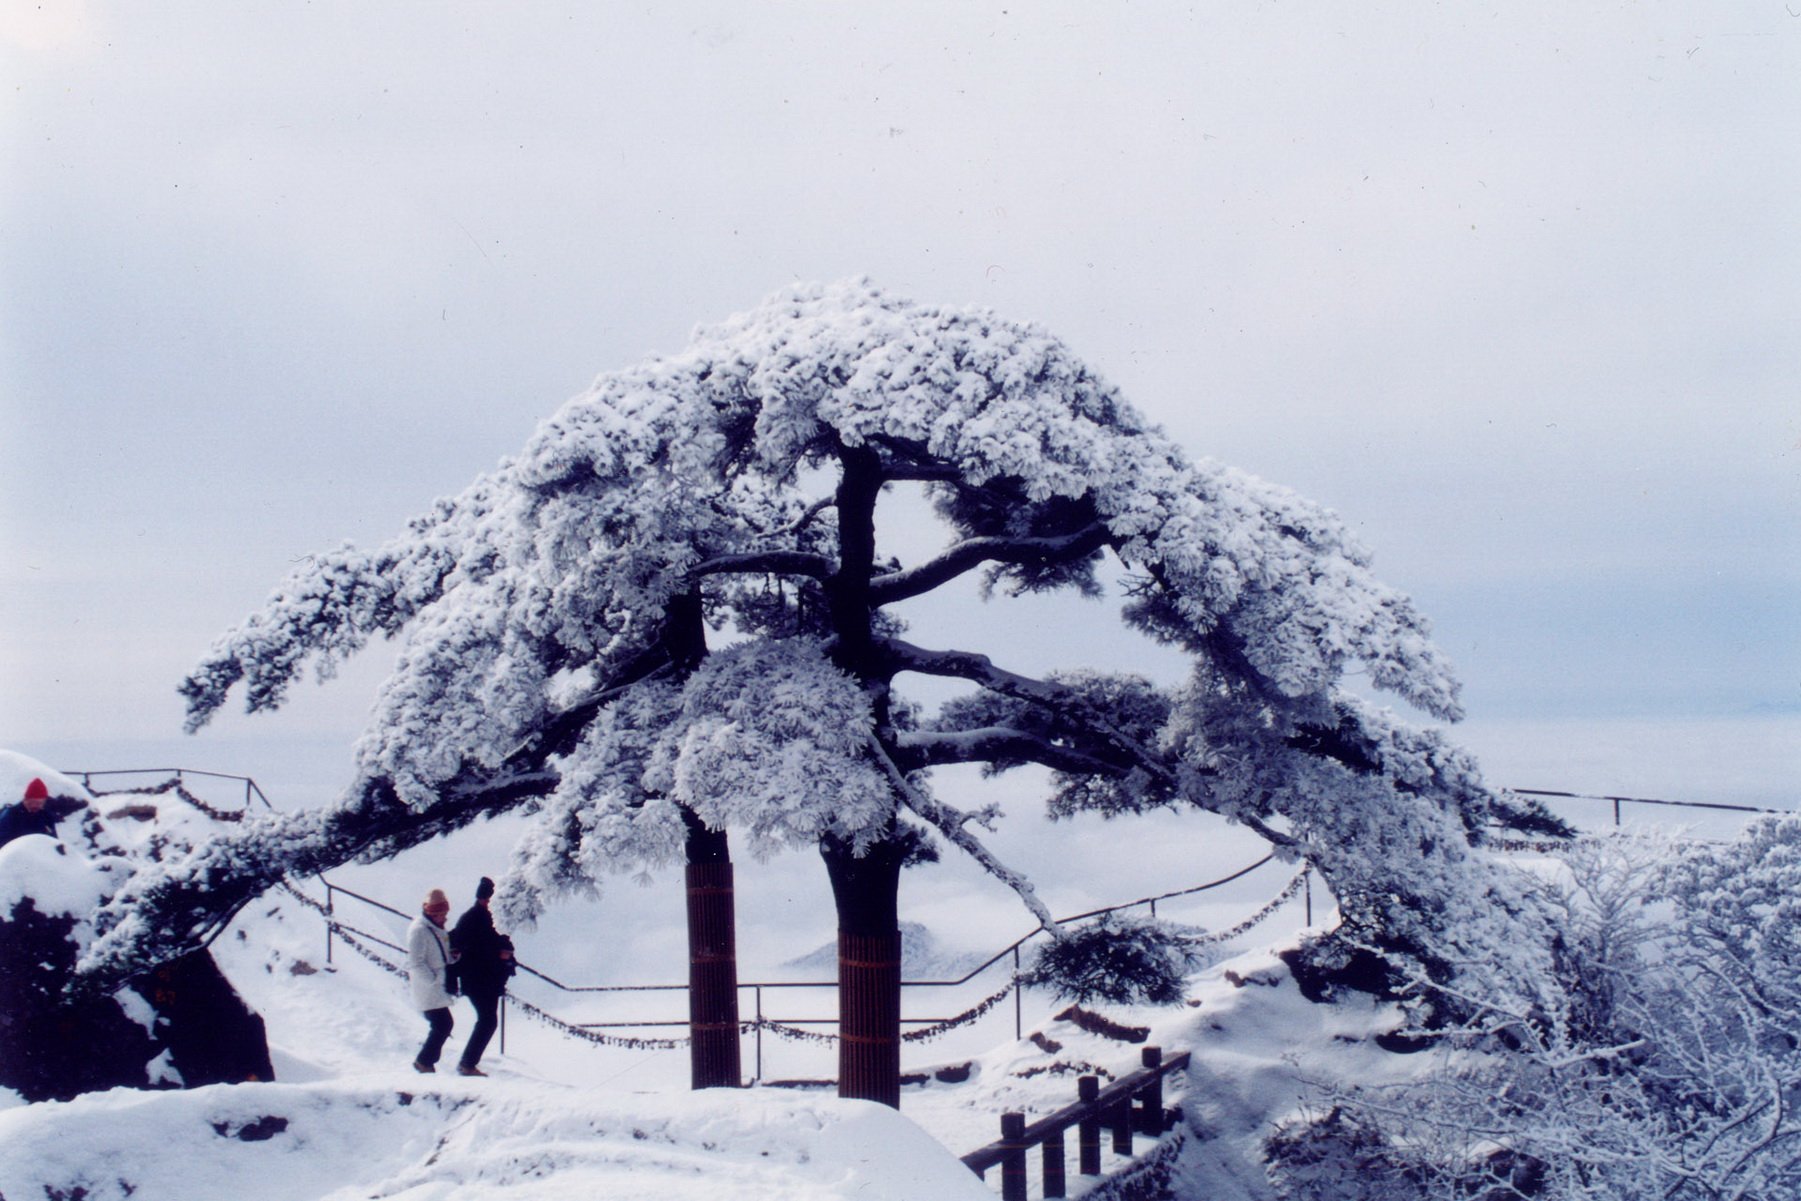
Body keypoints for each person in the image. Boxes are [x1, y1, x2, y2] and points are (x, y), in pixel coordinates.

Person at [448, 876, 515, 1077]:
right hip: (477, 979)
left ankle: (468, 1063)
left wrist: (506, 955)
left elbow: (503, 943)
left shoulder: (492, 918)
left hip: (488, 979)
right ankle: (467, 1063)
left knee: (488, 1021)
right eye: (487, 899)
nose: (488, 903)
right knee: (488, 1021)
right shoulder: (472, 919)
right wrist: (499, 954)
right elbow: (463, 948)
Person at [405, 888, 458, 1074]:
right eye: (439, 914)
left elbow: (439, 953)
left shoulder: (435, 928)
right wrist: (434, 980)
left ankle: (426, 1062)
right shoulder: (419, 931)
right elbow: (415, 963)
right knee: (443, 1024)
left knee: (443, 1024)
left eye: (444, 914)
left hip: (436, 986)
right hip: (428, 989)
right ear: (430, 912)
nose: (442, 917)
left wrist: (451, 959)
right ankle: (424, 1062)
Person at [0, 778, 59, 850]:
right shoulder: (11, 815)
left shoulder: (46, 816)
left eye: (41, 803)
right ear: (26, 799)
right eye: (35, 802)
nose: (38, 806)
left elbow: (54, 842)